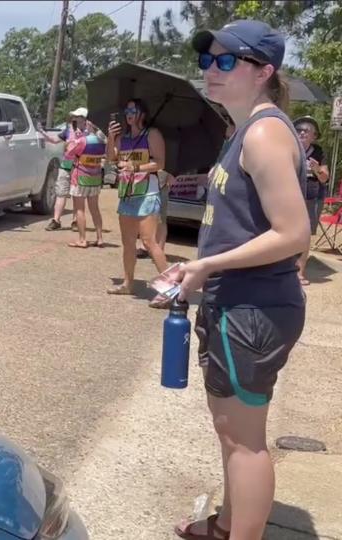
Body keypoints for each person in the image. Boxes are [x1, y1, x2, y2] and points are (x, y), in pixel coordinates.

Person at [173, 20, 310, 540]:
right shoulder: (245, 129)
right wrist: (198, 270)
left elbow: (294, 231)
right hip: (234, 301)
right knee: (230, 431)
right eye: (208, 60)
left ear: (264, 72)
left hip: (253, 309)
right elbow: (240, 226)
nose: (211, 69)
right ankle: (228, 525)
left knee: (245, 441)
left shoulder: (264, 131)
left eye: (227, 61)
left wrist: (208, 266)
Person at [104, 99, 171, 308]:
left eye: (133, 110)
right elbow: (111, 158)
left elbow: (160, 163)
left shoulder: (152, 134)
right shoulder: (123, 137)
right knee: (128, 243)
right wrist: (110, 137)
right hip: (127, 194)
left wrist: (136, 167)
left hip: (147, 194)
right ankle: (128, 283)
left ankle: (171, 289)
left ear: (142, 113)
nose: (129, 113)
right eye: (127, 110)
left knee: (149, 242)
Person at [39, 107, 97, 231]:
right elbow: (55, 140)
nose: (74, 119)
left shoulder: (90, 133)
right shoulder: (69, 130)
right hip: (66, 165)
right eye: (74, 117)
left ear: (84, 119)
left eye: (77, 117)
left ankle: (76, 221)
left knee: (77, 195)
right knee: (61, 192)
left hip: (81, 168)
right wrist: (44, 134)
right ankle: (56, 220)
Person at [294, 115, 330, 285]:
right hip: (289, 194)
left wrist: (316, 169)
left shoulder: (318, 152)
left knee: (304, 234)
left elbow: (324, 178)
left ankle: (299, 272)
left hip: (309, 196)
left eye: (306, 130)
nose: (301, 133)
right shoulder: (288, 147)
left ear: (314, 136)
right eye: (299, 129)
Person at [66, 126, 107, 247]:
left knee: (79, 209)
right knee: (95, 209)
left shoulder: (83, 140)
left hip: (81, 177)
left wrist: (74, 139)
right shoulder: (102, 141)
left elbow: (69, 153)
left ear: (90, 126)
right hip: (95, 178)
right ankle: (100, 238)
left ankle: (82, 239)